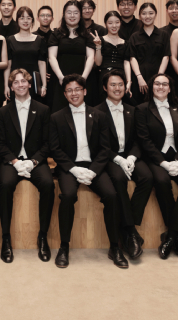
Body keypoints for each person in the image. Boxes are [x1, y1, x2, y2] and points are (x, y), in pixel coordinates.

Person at [49, 75, 125, 268]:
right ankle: (64, 247)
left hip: (94, 166)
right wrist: (73, 169)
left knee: (111, 195)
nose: (74, 93)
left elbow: (105, 149)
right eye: (69, 90)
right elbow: (55, 150)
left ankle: (115, 246)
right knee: (67, 196)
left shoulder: (99, 115)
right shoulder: (56, 117)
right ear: (65, 94)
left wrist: (93, 171)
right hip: (69, 167)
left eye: (77, 89)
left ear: (85, 91)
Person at [136, 73, 178, 259]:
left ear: (170, 88)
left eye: (165, 84)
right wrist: (163, 162)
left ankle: (171, 235)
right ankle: (176, 237)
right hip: (156, 158)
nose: (161, 87)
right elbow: (144, 141)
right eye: (157, 84)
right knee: (162, 181)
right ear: (152, 86)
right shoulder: (142, 109)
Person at [0, 69, 55, 263]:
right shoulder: (3, 111)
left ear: (30, 84)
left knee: (48, 184)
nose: (20, 85)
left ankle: (43, 236)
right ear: (11, 87)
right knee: (5, 185)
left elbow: (47, 143)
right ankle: (6, 238)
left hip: (35, 161)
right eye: (16, 82)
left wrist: (33, 162)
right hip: (11, 161)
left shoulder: (43, 110)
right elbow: (0, 143)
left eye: (23, 81)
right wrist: (15, 161)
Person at [96, 70, 152, 259]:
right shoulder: (96, 111)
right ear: (105, 88)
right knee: (118, 178)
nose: (117, 88)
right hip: (109, 157)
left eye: (120, 84)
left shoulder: (133, 110)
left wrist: (132, 157)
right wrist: (117, 159)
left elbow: (139, 139)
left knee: (147, 177)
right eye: (113, 85)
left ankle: (128, 226)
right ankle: (130, 232)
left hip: (130, 155)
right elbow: (99, 144)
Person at [47, 0, 95, 113]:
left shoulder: (87, 35)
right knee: (60, 111)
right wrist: (61, 77)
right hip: (60, 78)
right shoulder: (56, 34)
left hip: (83, 77)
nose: (72, 16)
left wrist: (83, 78)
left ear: (80, 15)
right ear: (64, 15)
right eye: (69, 12)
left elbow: (91, 57)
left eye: (76, 12)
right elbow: (52, 57)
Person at [127, 2, 170, 102]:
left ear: (155, 14)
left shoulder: (164, 35)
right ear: (140, 16)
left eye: (151, 13)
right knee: (140, 104)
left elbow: (166, 56)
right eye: (144, 13)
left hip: (159, 75)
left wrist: (159, 78)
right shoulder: (134, 36)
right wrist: (139, 77)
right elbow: (132, 58)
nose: (147, 16)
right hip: (140, 77)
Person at [6, 6, 47, 101]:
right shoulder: (10, 40)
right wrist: (6, 86)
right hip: (15, 82)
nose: (25, 21)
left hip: (34, 82)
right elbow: (8, 65)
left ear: (32, 20)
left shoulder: (39, 39)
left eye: (28, 18)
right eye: (22, 18)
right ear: (17, 20)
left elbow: (42, 63)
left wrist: (44, 85)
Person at [93, 10, 131, 102]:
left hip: (121, 76)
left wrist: (129, 80)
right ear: (105, 24)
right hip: (104, 76)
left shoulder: (125, 42)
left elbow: (126, 62)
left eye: (117, 22)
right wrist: (98, 46)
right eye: (110, 23)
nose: (114, 26)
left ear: (120, 23)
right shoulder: (100, 40)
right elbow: (98, 63)